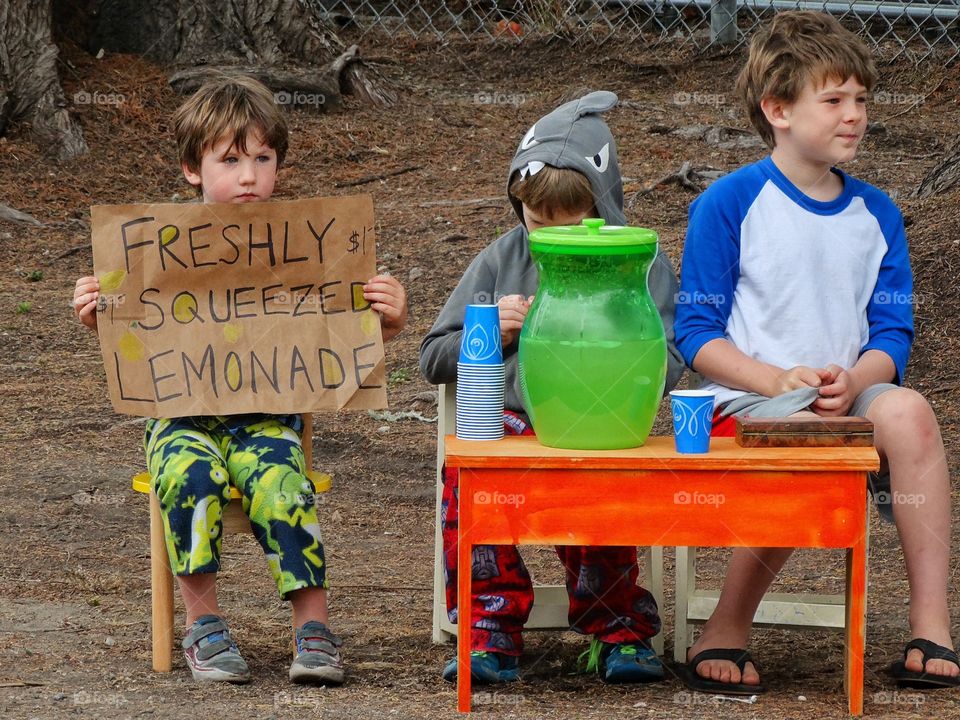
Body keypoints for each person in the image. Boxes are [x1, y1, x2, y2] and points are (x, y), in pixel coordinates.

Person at [72, 75, 407, 685]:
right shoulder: (153, 249)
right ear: (192, 169)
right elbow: (135, 341)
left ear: (278, 163)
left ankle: (314, 628)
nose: (249, 175)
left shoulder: (307, 247)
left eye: (262, 158)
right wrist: (99, 311)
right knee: (190, 476)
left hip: (269, 419)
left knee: (281, 481)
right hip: (179, 419)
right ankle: (206, 626)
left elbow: (333, 343)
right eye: (230, 160)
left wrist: (387, 320)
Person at [673, 10, 958, 694]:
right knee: (809, 438)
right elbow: (694, 334)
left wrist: (856, 375)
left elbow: (892, 336)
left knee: (912, 414)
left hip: (844, 390)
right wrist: (774, 379)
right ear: (778, 109)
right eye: (832, 100)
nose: (854, 115)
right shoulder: (730, 203)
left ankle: (932, 625)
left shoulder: (878, 213)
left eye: (860, 99)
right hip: (746, 397)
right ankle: (727, 625)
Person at [420, 91, 684, 685]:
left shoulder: (638, 262)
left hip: (605, 425)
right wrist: (496, 332)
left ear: (603, 206)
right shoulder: (503, 258)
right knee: (472, 474)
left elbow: (670, 357)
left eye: (570, 227)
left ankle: (618, 628)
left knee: (600, 482)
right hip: (512, 422)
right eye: (537, 224)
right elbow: (434, 355)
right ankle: (489, 632)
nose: (548, 239)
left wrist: (602, 349)